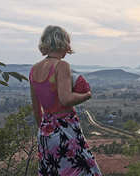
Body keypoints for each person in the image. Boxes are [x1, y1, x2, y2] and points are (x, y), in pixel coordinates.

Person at [29, 25, 102, 176]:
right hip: (65, 127)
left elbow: (36, 109)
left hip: (45, 132)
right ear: (62, 43)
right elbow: (66, 99)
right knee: (84, 170)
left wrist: (46, 132)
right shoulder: (61, 66)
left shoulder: (34, 69)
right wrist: (87, 94)